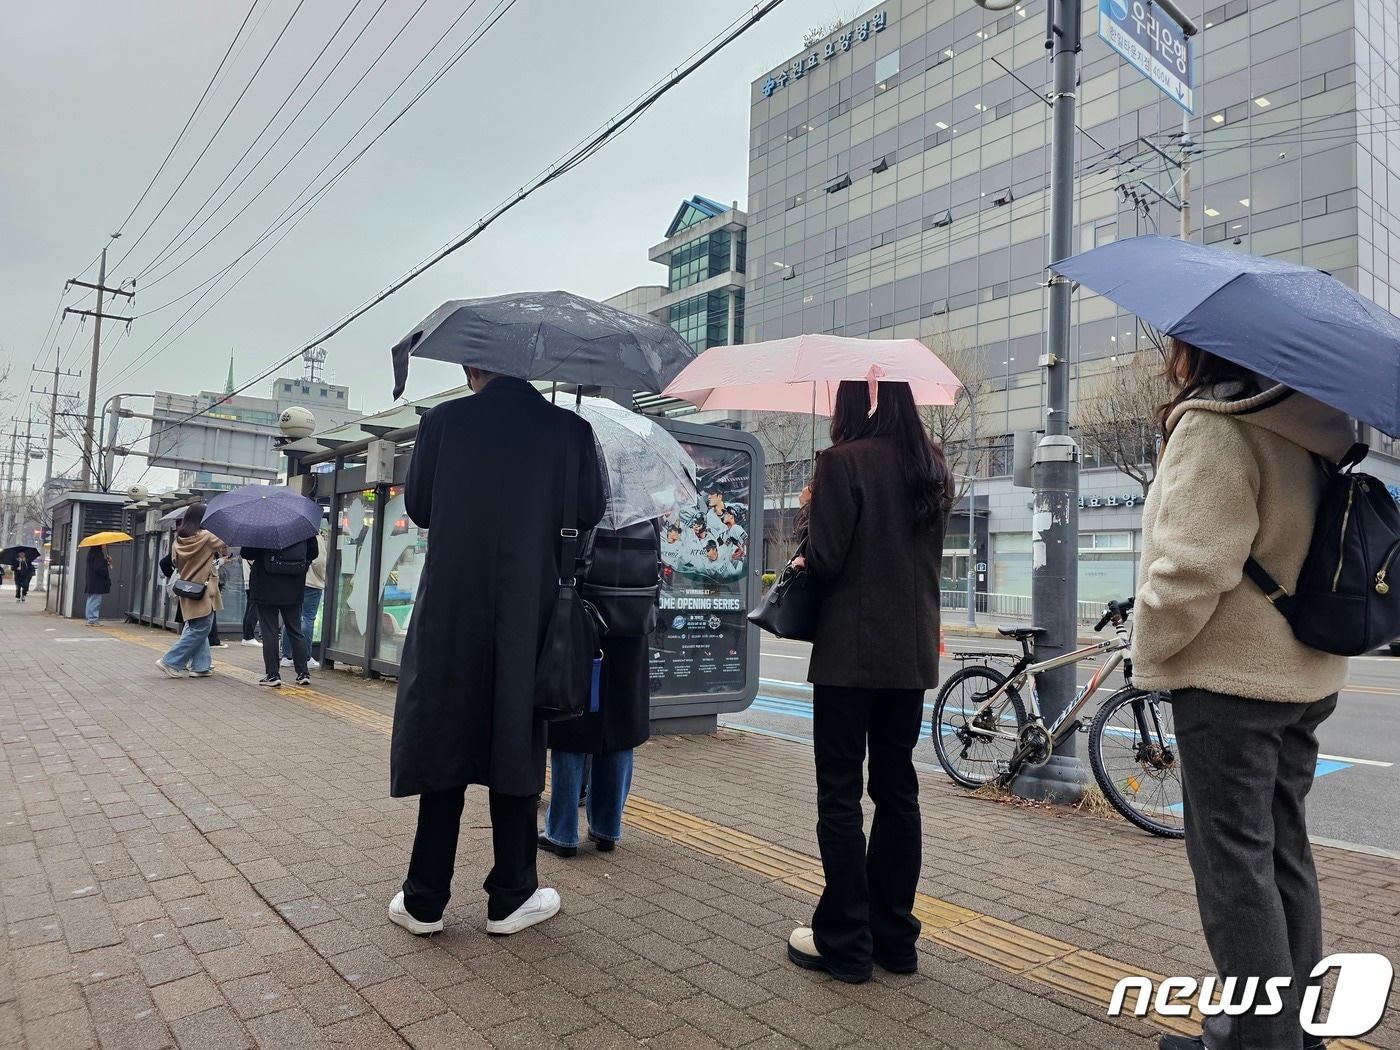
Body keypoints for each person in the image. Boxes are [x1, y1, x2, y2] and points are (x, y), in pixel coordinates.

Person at [1135, 339, 1352, 1050]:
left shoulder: (1217, 424)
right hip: (1306, 674)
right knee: (1284, 851)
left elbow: (1191, 568)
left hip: (1230, 680)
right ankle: (1296, 1032)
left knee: (1233, 868)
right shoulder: (1322, 427)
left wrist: (1149, 644)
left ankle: (1261, 1042)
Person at [388, 367, 602, 939]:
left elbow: (423, 507)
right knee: (518, 729)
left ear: (473, 365)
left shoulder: (444, 421)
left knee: (444, 732)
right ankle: (512, 895)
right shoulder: (570, 429)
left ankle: (425, 898)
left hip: (452, 602)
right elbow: (591, 511)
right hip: (530, 605)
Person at [785, 379, 952, 985]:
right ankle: (895, 939)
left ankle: (846, 942)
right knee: (897, 791)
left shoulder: (840, 463)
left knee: (839, 794)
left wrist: (811, 510)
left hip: (847, 660)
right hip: (908, 658)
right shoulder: (931, 467)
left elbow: (826, 560)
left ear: (853, 403)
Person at [156, 505, 224, 679]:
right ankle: (169, 661)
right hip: (203, 587)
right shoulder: (207, 537)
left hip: (186, 587)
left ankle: (200, 666)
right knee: (202, 627)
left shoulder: (178, 539)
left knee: (196, 625)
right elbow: (225, 541)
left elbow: (173, 562)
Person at [242, 534, 319, 688]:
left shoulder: (262, 527)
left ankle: (273, 675)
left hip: (265, 586)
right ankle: (303, 673)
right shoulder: (301, 527)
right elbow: (313, 553)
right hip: (293, 585)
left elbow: (247, 553)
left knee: (269, 631)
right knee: (295, 630)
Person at [281, 532, 327, 670]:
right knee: (308, 618)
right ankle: (306, 656)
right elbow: (319, 562)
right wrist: (325, 577)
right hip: (312, 583)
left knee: (290, 619)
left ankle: (286, 656)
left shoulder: (291, 536)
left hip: (294, 582)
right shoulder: (315, 537)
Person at [84, 544, 111, 625]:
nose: (106, 545)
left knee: (91, 599)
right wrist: (106, 566)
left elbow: (96, 565)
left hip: (92, 581)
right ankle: (93, 619)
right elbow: (98, 568)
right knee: (96, 601)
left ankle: (90, 618)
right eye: (105, 544)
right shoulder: (98, 554)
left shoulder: (92, 553)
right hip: (97, 582)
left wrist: (105, 562)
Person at [239, 553, 260, 647]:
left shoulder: (247, 546)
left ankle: (247, 636)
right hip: (253, 581)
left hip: (248, 581)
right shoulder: (250, 549)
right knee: (253, 609)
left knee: (250, 609)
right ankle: (249, 636)